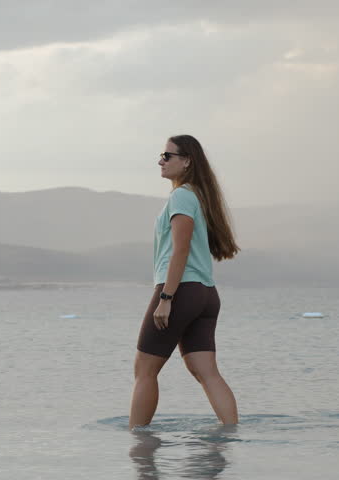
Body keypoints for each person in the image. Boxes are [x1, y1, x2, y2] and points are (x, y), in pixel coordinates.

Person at [129, 134, 240, 429]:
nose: (160, 161)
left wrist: (166, 298)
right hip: (205, 293)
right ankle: (231, 436)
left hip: (181, 291)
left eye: (167, 156)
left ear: (187, 161)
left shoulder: (181, 197)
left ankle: (138, 447)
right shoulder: (199, 197)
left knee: (145, 369)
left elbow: (181, 248)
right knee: (206, 371)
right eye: (161, 155)